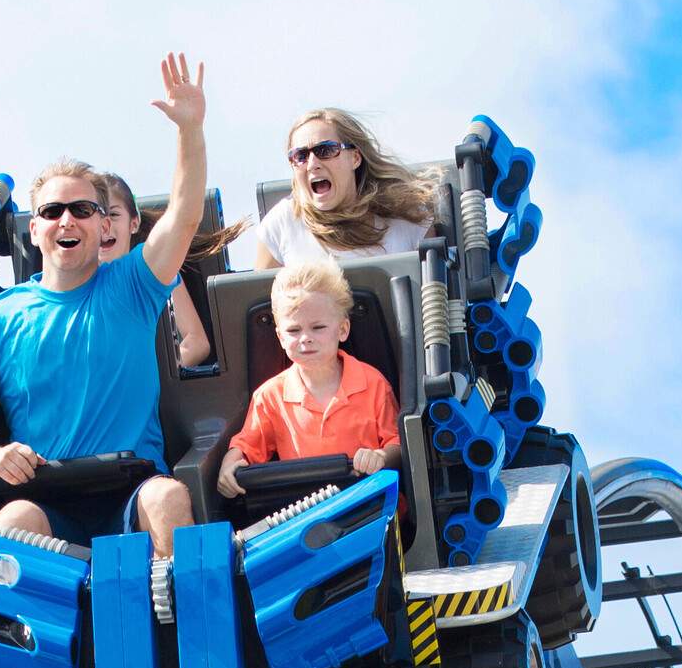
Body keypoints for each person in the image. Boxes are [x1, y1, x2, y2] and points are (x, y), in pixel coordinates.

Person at [0, 52, 207, 559]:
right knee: (15, 520)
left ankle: (181, 624)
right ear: (35, 228)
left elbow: (185, 213)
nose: (68, 220)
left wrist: (189, 131)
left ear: (105, 226)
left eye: (83, 209)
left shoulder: (132, 285)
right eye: (53, 211)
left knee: (169, 497)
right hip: (47, 496)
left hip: (132, 488)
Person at [216, 259, 400, 500]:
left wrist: (380, 457)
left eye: (318, 327)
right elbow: (247, 446)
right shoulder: (270, 396)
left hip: (369, 505)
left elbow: (397, 444)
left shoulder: (373, 383)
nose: (305, 338)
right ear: (280, 337)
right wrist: (229, 466)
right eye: (294, 330)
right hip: (303, 513)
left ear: (343, 329)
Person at [253, 108, 439, 267]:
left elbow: (438, 301)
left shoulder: (409, 221)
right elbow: (258, 304)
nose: (312, 164)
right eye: (300, 156)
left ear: (355, 158)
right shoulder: (281, 225)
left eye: (325, 150)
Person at [96, 171, 244, 368]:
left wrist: (151, 373)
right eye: (96, 216)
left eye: (113, 215)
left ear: (134, 223)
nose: (105, 226)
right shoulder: (74, 283)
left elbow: (197, 342)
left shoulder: (158, 270)